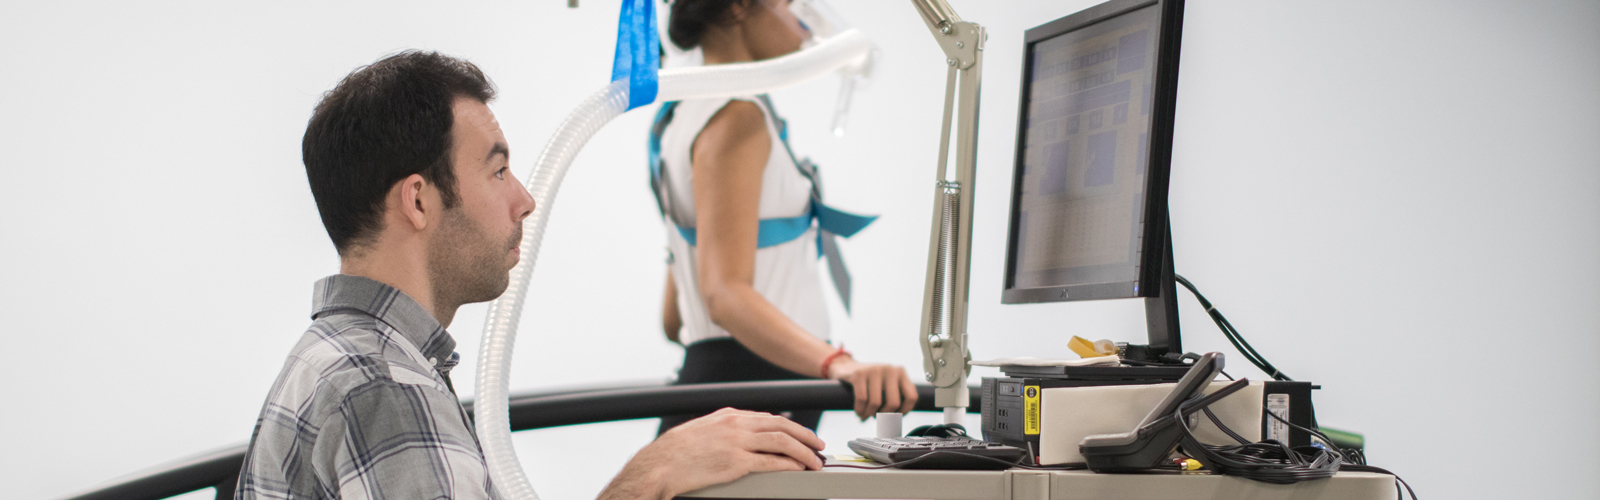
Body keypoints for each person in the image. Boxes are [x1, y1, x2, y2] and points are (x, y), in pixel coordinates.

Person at [234, 50, 825, 500]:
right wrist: (651, 477)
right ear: (418, 201)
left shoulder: (339, 357)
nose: (524, 200)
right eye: (498, 172)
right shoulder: (382, 388)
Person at [654, 0, 917, 434]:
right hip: (755, 385)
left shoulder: (681, 118)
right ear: (738, 7)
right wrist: (838, 363)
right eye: (790, 1)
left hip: (723, 379)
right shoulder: (737, 117)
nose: (805, 16)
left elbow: (674, 317)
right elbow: (722, 294)